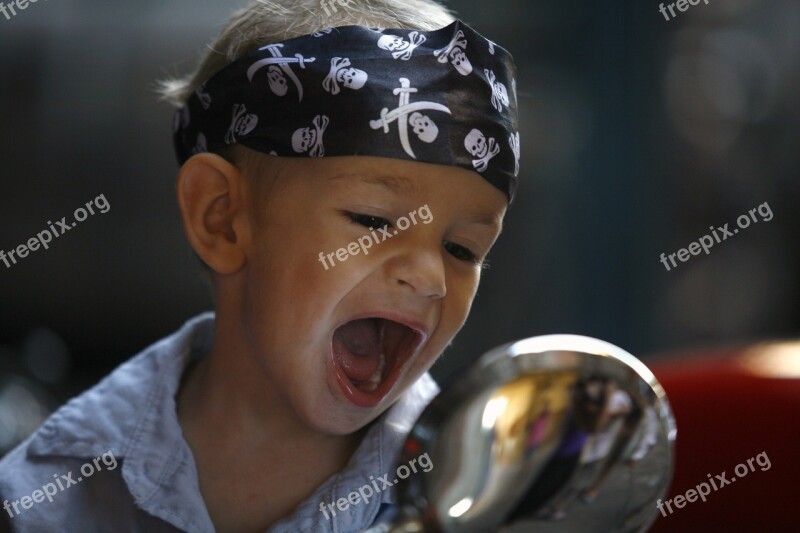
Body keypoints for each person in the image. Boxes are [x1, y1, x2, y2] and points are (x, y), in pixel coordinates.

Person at [0, 1, 520, 531]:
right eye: (372, 219)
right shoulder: (48, 491)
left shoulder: (484, 501)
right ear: (222, 217)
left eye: (463, 250)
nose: (431, 279)